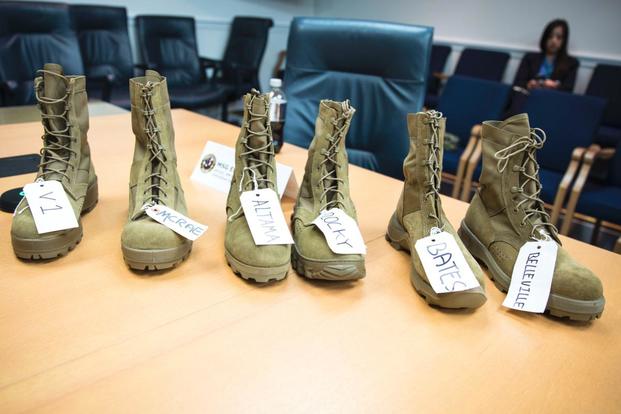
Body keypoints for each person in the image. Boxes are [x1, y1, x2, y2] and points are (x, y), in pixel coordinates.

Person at [514, 19, 579, 92]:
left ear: (564, 41)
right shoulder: (530, 58)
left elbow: (568, 90)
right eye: (550, 36)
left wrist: (552, 86)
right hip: (528, 96)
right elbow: (518, 83)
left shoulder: (571, 63)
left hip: (552, 99)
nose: (554, 41)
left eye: (559, 37)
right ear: (545, 38)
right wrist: (528, 84)